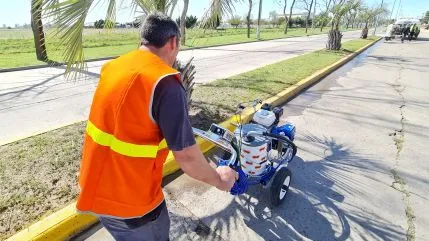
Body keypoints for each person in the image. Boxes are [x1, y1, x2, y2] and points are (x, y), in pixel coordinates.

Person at [76, 13, 238, 241]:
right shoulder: (165, 83)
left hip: (94, 190)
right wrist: (220, 179)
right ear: (173, 42)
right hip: (132, 205)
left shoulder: (113, 66)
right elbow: (189, 159)